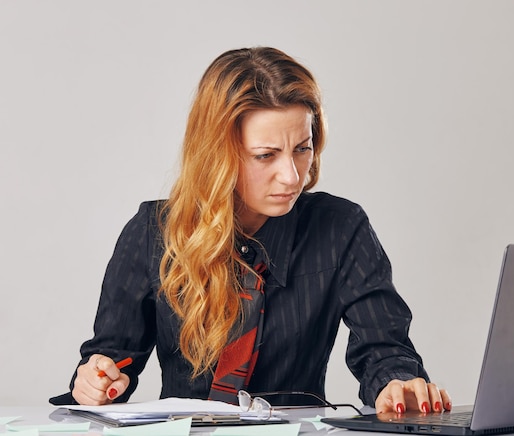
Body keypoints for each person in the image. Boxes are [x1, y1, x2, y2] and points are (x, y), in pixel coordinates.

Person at [50, 46, 452, 415]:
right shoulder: (153, 233)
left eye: (302, 148)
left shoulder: (341, 228)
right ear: (217, 155)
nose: (292, 175)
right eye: (266, 155)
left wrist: (395, 384)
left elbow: (385, 349)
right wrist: (96, 381)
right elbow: (109, 359)